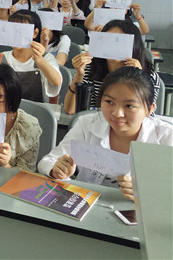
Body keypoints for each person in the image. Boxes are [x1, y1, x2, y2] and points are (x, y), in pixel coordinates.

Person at [39, 67, 172, 201]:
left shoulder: (165, 137)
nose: (117, 113)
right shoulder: (87, 124)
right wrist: (56, 170)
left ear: (149, 109)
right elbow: (48, 161)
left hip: (139, 210)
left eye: (129, 106)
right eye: (109, 102)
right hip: (85, 203)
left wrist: (149, 191)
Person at [64, 19, 159, 114]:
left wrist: (138, 80)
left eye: (120, 41)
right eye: (108, 40)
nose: (113, 45)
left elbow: (144, 114)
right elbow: (70, 109)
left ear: (134, 44)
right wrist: (79, 75)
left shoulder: (149, 76)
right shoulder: (90, 69)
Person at [0, 10, 62, 103]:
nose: (15, 35)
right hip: (7, 108)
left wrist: (39, 60)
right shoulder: (2, 57)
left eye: (20, 31)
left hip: (35, 109)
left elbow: (56, 82)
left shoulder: (46, 58)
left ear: (35, 33)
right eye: (11, 30)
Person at [84, 0, 149, 35]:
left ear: (126, 11)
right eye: (114, 6)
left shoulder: (128, 26)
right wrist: (96, 10)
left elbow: (144, 31)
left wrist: (138, 16)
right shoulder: (102, 24)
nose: (117, 9)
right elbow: (88, 25)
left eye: (121, 7)